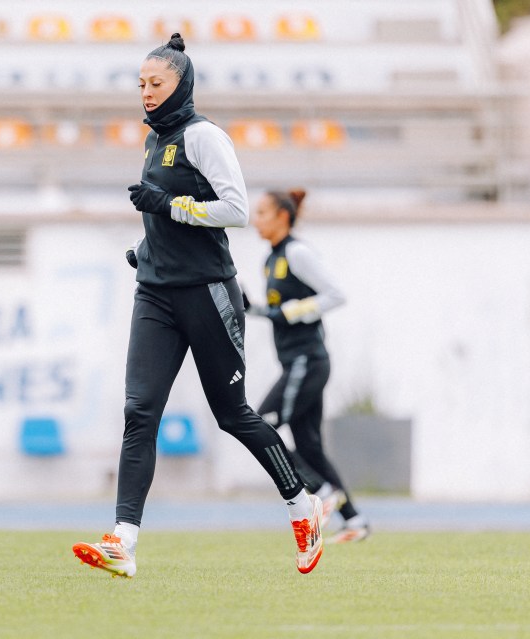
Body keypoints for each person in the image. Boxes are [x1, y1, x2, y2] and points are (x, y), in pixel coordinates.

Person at [71, 34, 324, 578]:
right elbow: (166, 220)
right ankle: (123, 541)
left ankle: (303, 506)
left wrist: (169, 204)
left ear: (181, 84)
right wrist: (147, 250)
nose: (145, 93)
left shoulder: (204, 136)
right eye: (140, 84)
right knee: (140, 413)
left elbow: (233, 210)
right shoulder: (152, 142)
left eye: (155, 84)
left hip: (208, 293)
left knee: (233, 415)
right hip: (157, 294)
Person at [247, 189, 370, 543]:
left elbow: (335, 295)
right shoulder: (270, 261)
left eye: (262, 212)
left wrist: (291, 311)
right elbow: (276, 311)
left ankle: (322, 491)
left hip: (307, 362)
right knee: (310, 446)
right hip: (297, 363)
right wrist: (250, 308)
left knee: (261, 424)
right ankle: (355, 520)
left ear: (282, 216)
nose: (256, 219)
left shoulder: (298, 252)